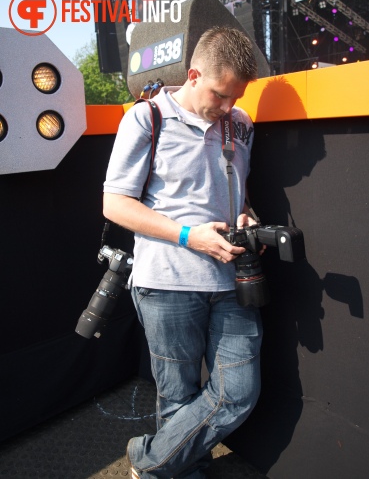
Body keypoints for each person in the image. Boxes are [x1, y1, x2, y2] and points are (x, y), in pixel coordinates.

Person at [103, 26, 263, 478]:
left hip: (233, 281)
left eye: (237, 96)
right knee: (177, 399)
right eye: (220, 94)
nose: (228, 107)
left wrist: (246, 215)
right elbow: (115, 205)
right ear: (193, 75)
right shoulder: (145, 118)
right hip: (167, 283)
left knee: (238, 392)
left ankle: (148, 461)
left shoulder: (240, 123)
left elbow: (237, 192)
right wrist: (191, 236)